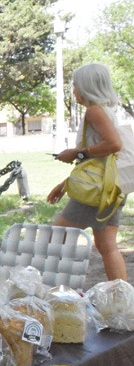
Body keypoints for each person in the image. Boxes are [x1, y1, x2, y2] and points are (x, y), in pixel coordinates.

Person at [48, 62, 128, 281]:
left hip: (95, 194)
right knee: (107, 246)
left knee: (56, 237)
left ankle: (57, 291)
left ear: (86, 86)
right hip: (111, 188)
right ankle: (122, 300)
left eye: (74, 85)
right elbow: (98, 163)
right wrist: (65, 185)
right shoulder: (108, 111)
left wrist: (77, 153)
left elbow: (113, 144)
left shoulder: (95, 112)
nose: (73, 90)